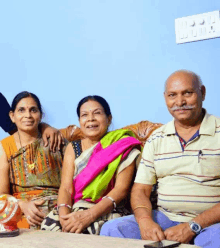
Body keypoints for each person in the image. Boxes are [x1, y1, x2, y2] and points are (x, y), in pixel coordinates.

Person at [100, 70, 220, 248]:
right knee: (112, 229)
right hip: (166, 220)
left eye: (187, 93)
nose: (180, 102)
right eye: (173, 95)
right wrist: (145, 221)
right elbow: (140, 190)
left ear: (202, 92)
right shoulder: (157, 138)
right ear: (165, 98)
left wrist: (193, 226)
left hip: (212, 224)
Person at [41, 95, 142, 234]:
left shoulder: (122, 144)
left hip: (108, 210)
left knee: (91, 232)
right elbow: (65, 188)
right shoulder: (74, 147)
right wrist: (65, 218)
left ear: (109, 118)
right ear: (79, 121)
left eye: (97, 113)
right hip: (75, 209)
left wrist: (89, 215)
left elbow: (120, 190)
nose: (90, 119)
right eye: (84, 115)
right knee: (50, 228)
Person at [0, 91, 67, 229]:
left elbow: (73, 183)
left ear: (41, 115)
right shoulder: (5, 147)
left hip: (56, 208)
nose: (28, 115)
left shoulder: (56, 141)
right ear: (12, 116)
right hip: (19, 210)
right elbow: (3, 194)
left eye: (33, 110)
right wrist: (21, 205)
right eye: (22, 110)